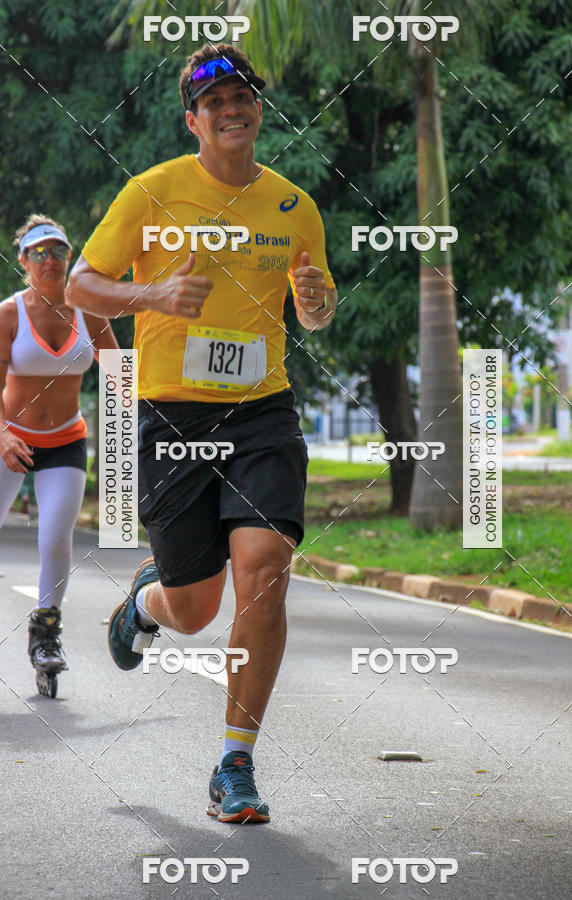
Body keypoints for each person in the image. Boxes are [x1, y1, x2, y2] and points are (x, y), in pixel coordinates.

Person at [66, 44, 337, 823]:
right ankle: (144, 607)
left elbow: (313, 310)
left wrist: (317, 302)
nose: (231, 108)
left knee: (265, 564)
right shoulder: (153, 192)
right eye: (214, 100)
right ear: (193, 119)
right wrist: (151, 292)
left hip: (262, 411)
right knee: (194, 608)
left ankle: (234, 762)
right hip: (174, 415)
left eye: (243, 95)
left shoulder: (294, 206)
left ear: (258, 111)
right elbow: (85, 282)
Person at [0, 215, 118, 697]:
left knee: (53, 537)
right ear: (24, 261)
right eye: (40, 253)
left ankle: (46, 634)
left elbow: (120, 374)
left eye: (59, 252)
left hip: (67, 441)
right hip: (11, 439)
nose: (51, 260)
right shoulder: (9, 314)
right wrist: (2, 435)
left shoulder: (89, 310)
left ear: (70, 258)